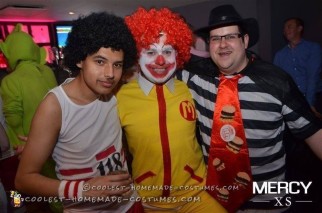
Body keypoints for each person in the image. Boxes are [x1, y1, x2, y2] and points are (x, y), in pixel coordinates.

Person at [177, 4, 322, 212]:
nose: (222, 44)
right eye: (215, 38)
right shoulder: (195, 77)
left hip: (268, 203)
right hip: (216, 202)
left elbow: (314, 132)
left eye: (230, 36)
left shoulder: (275, 82)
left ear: (245, 40)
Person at [14, 12, 143, 212]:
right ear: (80, 60)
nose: (110, 73)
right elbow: (23, 180)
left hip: (128, 204)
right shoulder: (55, 106)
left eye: (117, 64)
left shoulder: (115, 90)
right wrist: (83, 190)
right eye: (100, 62)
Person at [117, 7, 226, 212]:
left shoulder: (189, 89)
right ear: (137, 54)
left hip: (196, 196)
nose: (160, 60)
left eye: (167, 51)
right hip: (149, 203)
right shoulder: (120, 98)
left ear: (179, 54)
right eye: (150, 51)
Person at [273, 17, 322, 119]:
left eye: (289, 27)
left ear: (299, 28)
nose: (286, 30)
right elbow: (277, 81)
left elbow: (313, 76)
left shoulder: (313, 48)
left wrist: (309, 104)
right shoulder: (280, 55)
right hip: (293, 102)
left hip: (315, 99)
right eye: (284, 28)